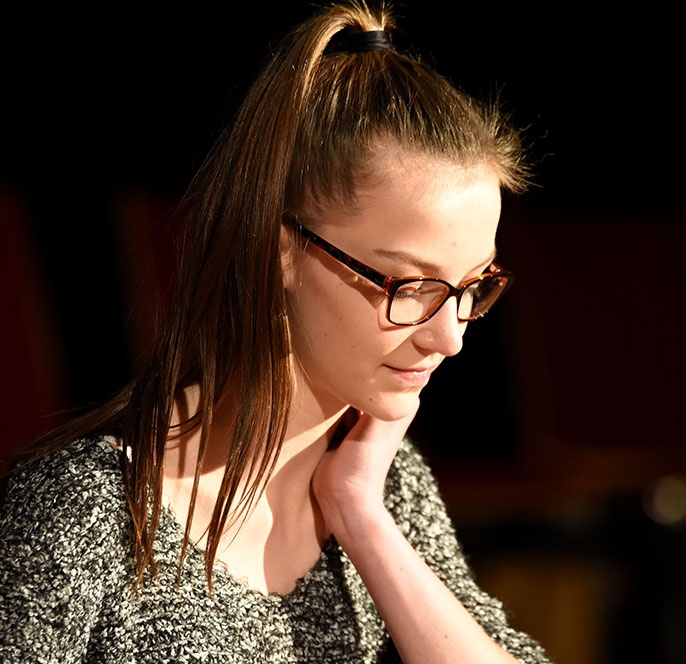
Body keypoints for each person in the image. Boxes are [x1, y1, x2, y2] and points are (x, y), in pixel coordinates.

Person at [0, 2, 553, 662]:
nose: (450, 339)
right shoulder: (86, 508)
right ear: (279, 250)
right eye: (410, 286)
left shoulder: (388, 480)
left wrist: (360, 515)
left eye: (472, 286)